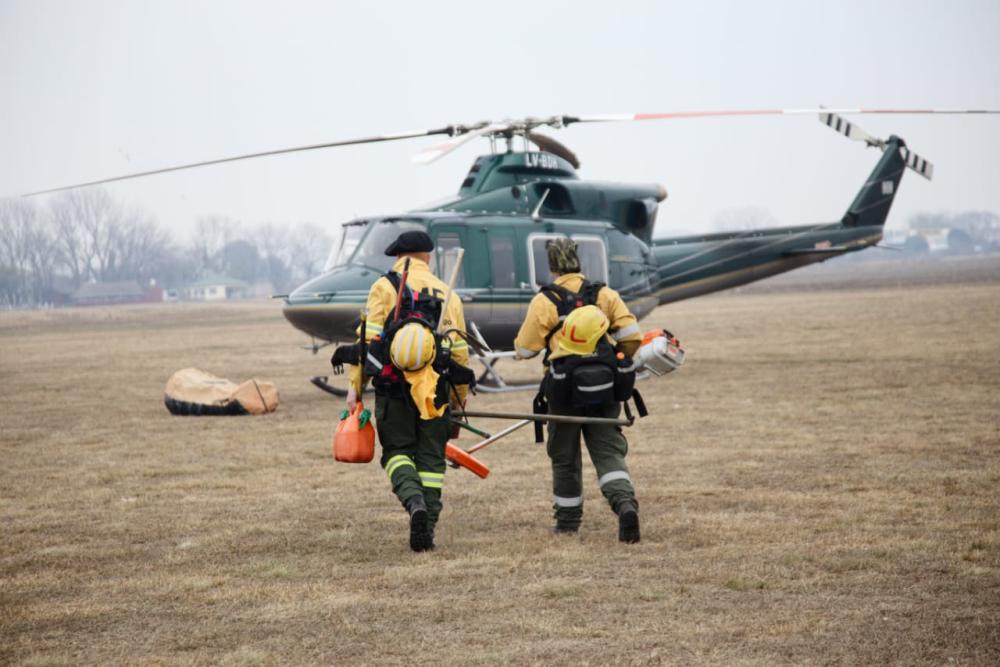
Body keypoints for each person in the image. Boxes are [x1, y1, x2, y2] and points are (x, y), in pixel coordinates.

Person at [345, 229, 471, 552]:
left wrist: (355, 388)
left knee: (397, 452)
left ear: (399, 257)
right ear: (427, 257)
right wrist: (459, 400)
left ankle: (413, 501)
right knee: (431, 460)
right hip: (436, 393)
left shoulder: (383, 287)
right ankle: (426, 529)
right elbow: (459, 355)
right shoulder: (448, 293)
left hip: (393, 388)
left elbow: (367, 344)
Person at [513, 238, 644, 543]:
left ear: (552, 266)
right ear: (579, 261)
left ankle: (568, 522)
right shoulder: (605, 295)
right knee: (609, 452)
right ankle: (625, 504)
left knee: (564, 456)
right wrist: (615, 358)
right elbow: (632, 337)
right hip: (606, 389)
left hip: (563, 393)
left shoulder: (544, 301)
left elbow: (524, 349)